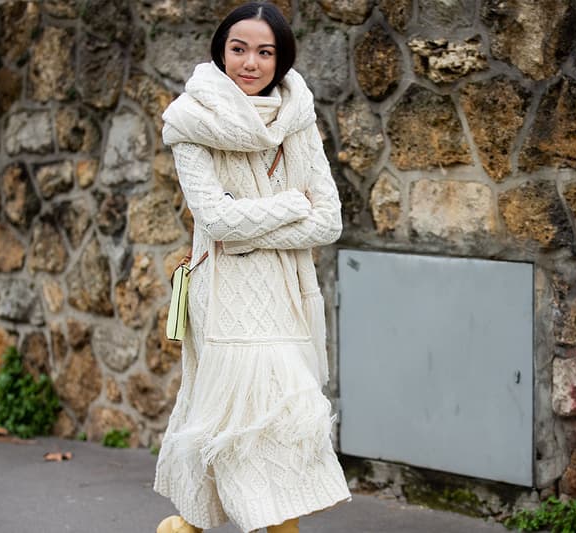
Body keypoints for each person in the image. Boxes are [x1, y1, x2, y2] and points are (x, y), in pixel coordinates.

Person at [153, 3, 351, 532]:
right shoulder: (191, 121)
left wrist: (251, 229)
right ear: (221, 49)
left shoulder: (297, 117)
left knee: (277, 424)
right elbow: (216, 220)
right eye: (239, 48)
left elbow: (328, 222)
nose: (250, 62)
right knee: (242, 426)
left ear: (280, 59)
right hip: (224, 299)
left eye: (265, 52)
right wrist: (290, 204)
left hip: (286, 298)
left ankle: (185, 529)